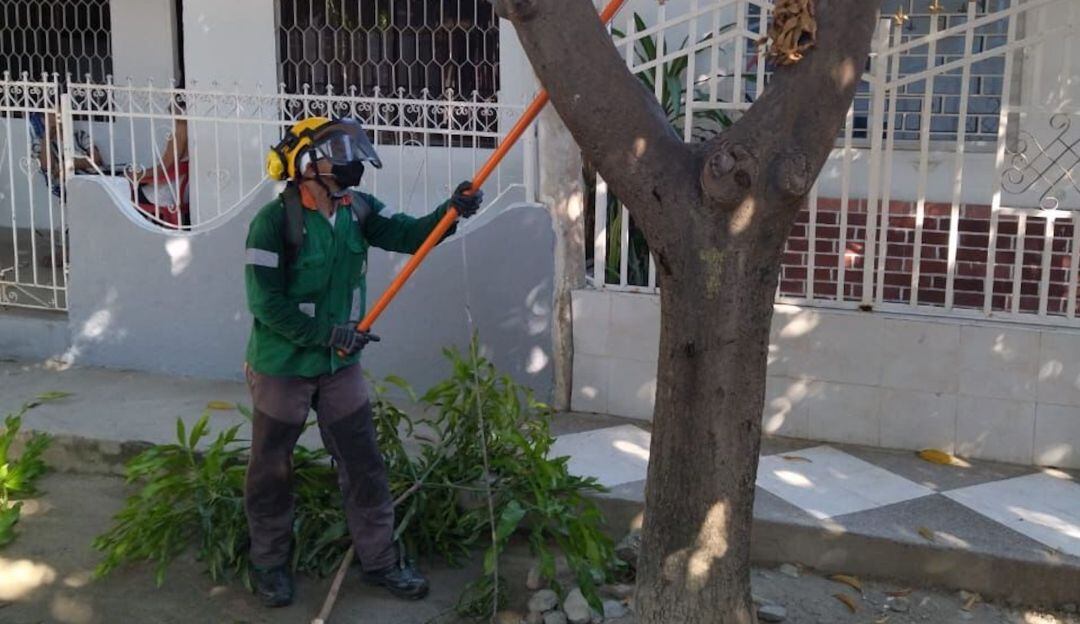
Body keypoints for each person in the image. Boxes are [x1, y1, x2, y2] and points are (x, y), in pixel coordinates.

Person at [242, 116, 483, 608]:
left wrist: (451, 212)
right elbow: (266, 305)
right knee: (271, 469)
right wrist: (324, 334)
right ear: (306, 164)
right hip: (283, 365)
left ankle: (380, 561)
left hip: (340, 365)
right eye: (338, 155)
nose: (350, 165)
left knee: (364, 464)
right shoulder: (271, 224)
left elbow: (409, 235)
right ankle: (268, 564)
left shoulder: (358, 209)